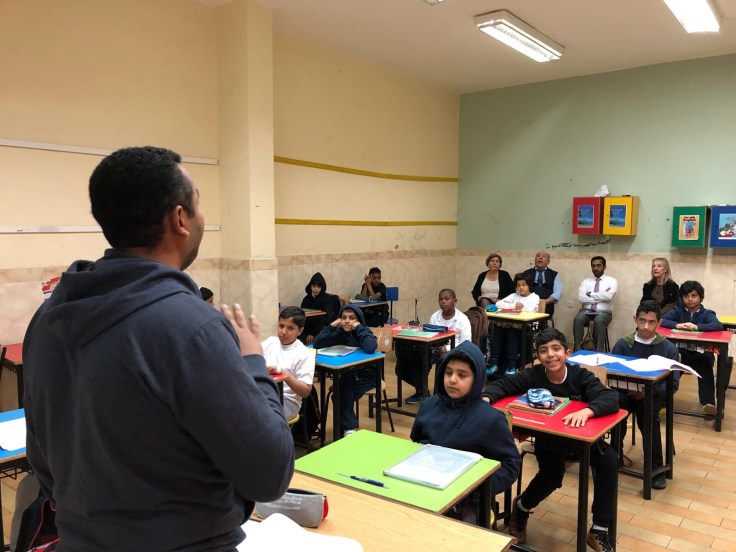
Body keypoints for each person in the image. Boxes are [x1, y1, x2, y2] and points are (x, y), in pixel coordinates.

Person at [22, 146, 294, 551]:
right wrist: (253, 361)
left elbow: (43, 463)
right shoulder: (193, 327)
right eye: (198, 201)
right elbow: (269, 474)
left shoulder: (47, 319)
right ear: (180, 218)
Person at [483, 328, 619, 552]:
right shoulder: (534, 375)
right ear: (538, 356)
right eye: (544, 351)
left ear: (567, 353)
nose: (551, 355)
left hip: (581, 441)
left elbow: (610, 397)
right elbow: (502, 385)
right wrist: (487, 397)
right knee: (552, 476)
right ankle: (521, 507)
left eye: (556, 349)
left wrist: (587, 411)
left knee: (609, 460)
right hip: (549, 441)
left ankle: (599, 529)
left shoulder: (580, 376)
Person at [411, 341, 520, 525]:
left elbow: (511, 464)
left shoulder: (490, 420)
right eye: (448, 373)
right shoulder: (428, 406)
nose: (453, 380)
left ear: (477, 379)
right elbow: (414, 445)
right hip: (426, 487)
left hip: (468, 500)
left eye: (462, 375)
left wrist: (477, 487)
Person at [612, 300, 679, 490]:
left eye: (651, 322)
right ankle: (615, 455)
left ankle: (656, 468)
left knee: (648, 416)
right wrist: (628, 388)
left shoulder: (668, 349)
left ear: (659, 323)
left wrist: (648, 391)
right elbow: (612, 375)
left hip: (653, 395)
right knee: (614, 408)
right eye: (642, 321)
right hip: (625, 392)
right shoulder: (623, 344)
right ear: (635, 319)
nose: (646, 327)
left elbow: (672, 385)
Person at [396, 289, 471, 405]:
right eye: (441, 299)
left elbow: (466, 342)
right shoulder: (435, 316)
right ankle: (422, 391)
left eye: (447, 299)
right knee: (410, 360)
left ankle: (435, 396)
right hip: (433, 348)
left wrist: (446, 349)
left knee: (439, 359)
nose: (443, 302)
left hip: (454, 350)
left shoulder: (463, 319)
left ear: (455, 301)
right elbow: (428, 335)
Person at [313, 305, 378, 436]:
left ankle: (349, 428)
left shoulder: (364, 331)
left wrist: (359, 327)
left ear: (359, 320)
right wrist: (331, 326)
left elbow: (371, 347)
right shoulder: (339, 333)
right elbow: (317, 343)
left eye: (352, 318)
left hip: (367, 376)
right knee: (342, 390)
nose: (347, 321)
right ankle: (347, 428)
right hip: (347, 374)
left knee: (340, 393)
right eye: (343, 318)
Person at [660, 280, 723, 416]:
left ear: (700, 297)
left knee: (705, 365)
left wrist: (698, 327)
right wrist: (677, 325)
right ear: (682, 298)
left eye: (694, 295)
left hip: (701, 352)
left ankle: (708, 404)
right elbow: (662, 321)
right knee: (670, 368)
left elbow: (717, 325)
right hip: (681, 352)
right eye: (686, 296)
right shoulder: (677, 310)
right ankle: (662, 401)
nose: (690, 299)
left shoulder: (707, 313)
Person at [262, 306, 316, 420]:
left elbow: (305, 392)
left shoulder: (304, 353)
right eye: (281, 326)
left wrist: (286, 376)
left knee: (259, 416)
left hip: (287, 401)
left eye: (290, 328)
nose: (283, 332)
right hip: (264, 393)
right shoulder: (270, 342)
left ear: (300, 331)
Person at [487, 273, 540, 376]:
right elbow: (498, 304)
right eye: (518, 285)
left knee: (512, 332)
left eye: (524, 285)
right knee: (498, 329)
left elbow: (529, 309)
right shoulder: (514, 296)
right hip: (510, 324)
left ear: (529, 285)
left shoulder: (534, 297)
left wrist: (517, 307)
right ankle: (494, 363)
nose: (521, 287)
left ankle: (512, 365)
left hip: (526, 326)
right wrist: (514, 305)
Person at [573, 256, 618, 352]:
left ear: (604, 267)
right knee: (578, 319)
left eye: (598, 265)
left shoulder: (612, 281)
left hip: (604, 312)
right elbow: (581, 298)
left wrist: (591, 294)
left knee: (599, 320)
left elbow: (608, 297)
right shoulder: (586, 281)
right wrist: (601, 298)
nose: (595, 268)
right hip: (586, 311)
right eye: (593, 266)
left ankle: (598, 353)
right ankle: (578, 351)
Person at [300, 272, 338, 344]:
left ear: (322, 288)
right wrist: (308, 334)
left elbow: (327, 319)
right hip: (307, 330)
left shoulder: (327, 299)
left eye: (319, 287)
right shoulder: (306, 299)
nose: (316, 289)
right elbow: (303, 317)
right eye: (314, 286)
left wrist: (313, 334)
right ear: (310, 286)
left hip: (322, 330)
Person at [523, 251, 563, 318]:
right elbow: (520, 289)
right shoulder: (526, 273)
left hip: (547, 305)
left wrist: (546, 301)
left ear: (548, 262)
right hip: (528, 303)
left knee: (539, 315)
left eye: (544, 256)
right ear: (535, 260)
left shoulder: (554, 274)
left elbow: (557, 292)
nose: (540, 258)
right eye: (538, 256)